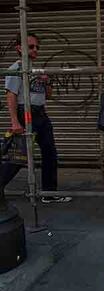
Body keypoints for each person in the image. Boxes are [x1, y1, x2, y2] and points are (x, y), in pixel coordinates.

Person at [4, 32, 71, 204]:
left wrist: (47, 81)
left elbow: (47, 95)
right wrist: (14, 121)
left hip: (41, 114)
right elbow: (11, 95)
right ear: (19, 48)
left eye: (37, 47)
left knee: (50, 153)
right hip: (25, 113)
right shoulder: (16, 69)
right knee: (19, 157)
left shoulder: (35, 69)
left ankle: (49, 193)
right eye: (31, 46)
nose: (35, 50)